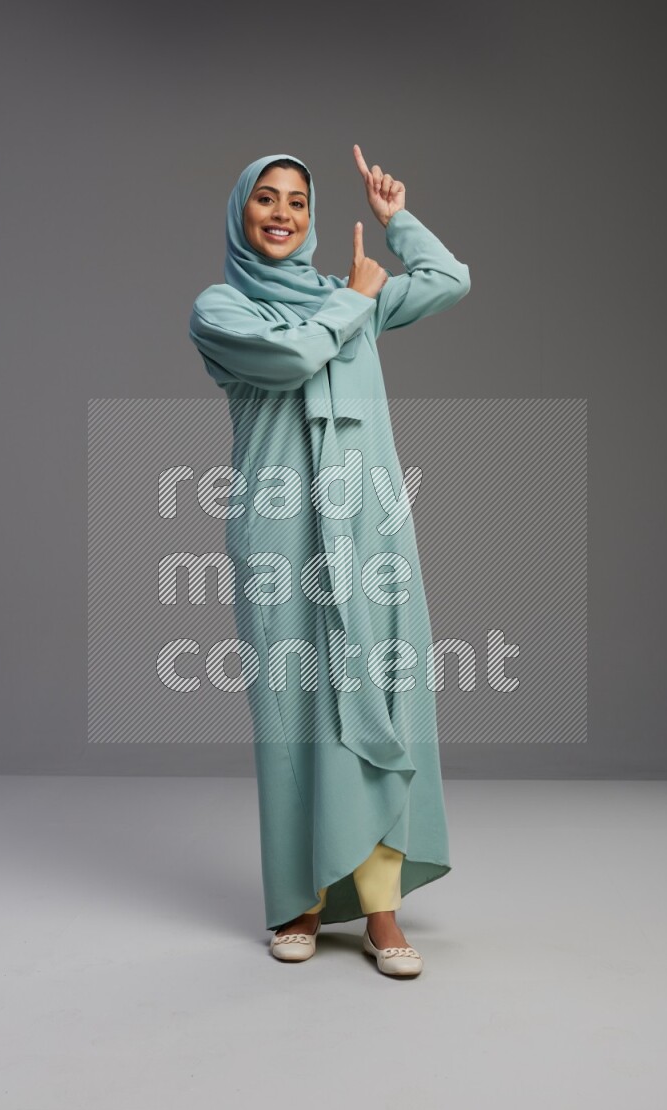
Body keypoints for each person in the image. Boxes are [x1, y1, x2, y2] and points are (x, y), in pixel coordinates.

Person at [189, 146, 470, 977]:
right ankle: (300, 898)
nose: (282, 213)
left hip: (372, 529)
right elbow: (293, 357)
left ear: (311, 217)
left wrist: (396, 219)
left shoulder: (347, 295)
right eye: (265, 199)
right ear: (241, 212)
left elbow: (449, 279)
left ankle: (381, 909)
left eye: (297, 202)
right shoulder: (223, 306)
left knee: (380, 695)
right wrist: (356, 297)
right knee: (295, 711)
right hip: (280, 535)